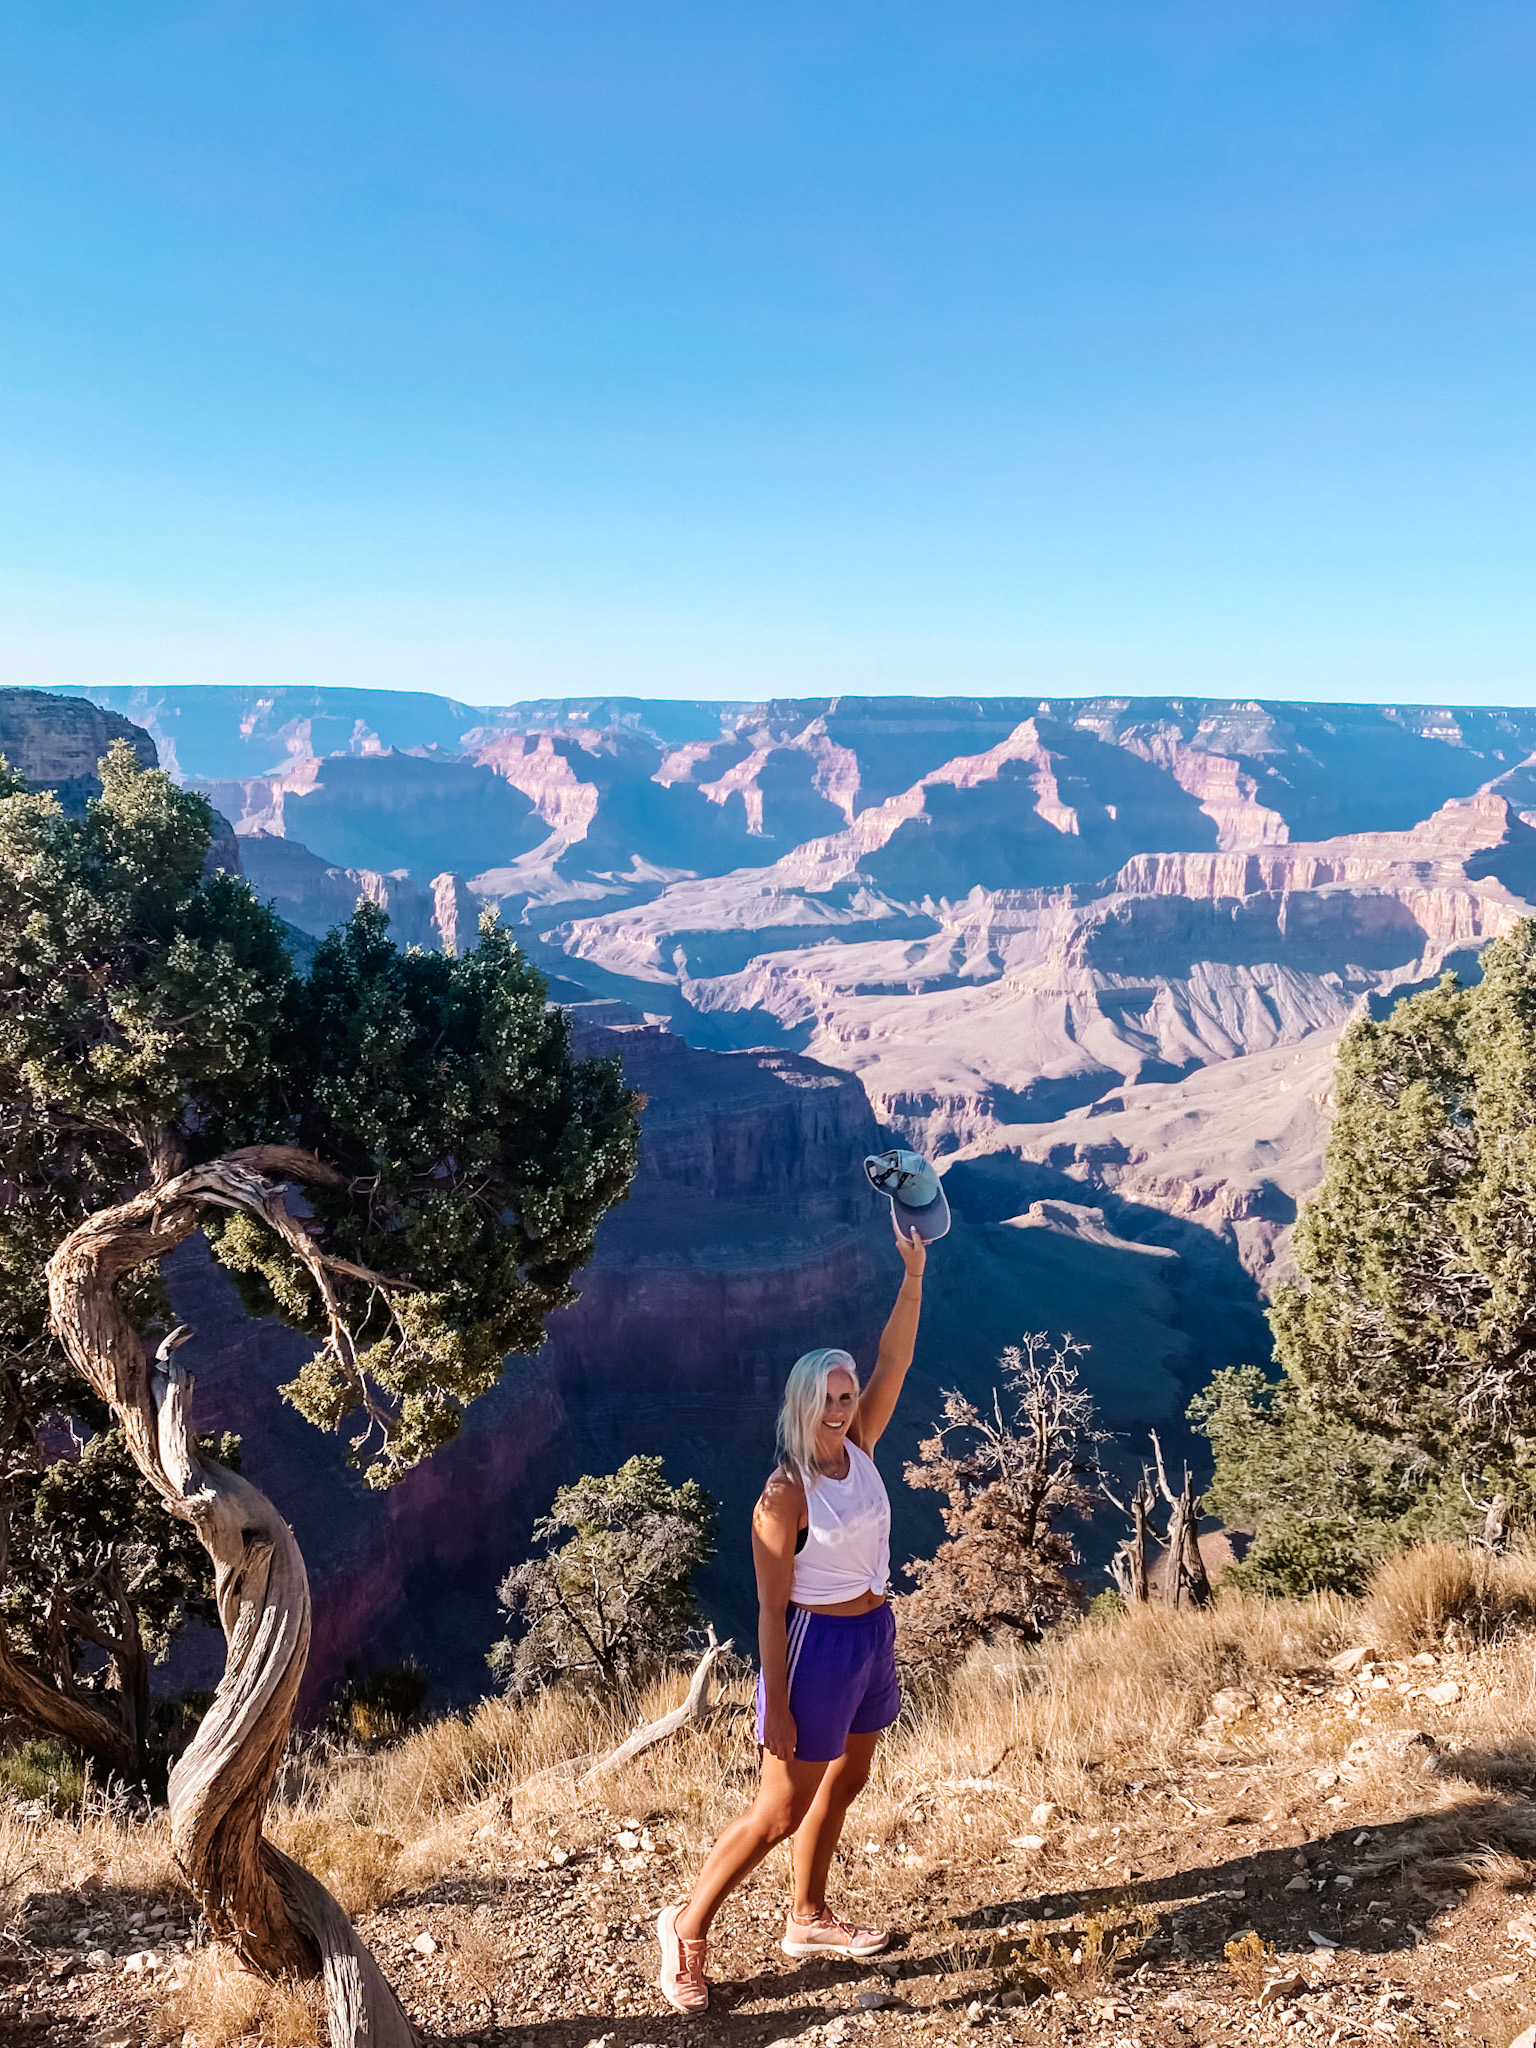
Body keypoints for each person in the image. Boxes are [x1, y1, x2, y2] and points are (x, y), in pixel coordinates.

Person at [657, 1219, 928, 2012]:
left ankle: (807, 1917)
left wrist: (912, 1274)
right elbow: (770, 1611)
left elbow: (897, 1358)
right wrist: (774, 1702)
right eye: (828, 1399)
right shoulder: (784, 1495)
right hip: (814, 1648)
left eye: (847, 1397)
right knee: (780, 1808)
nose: (842, 1409)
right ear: (803, 1404)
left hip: (873, 1634)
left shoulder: (865, 1445)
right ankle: (687, 1925)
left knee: (847, 1780)